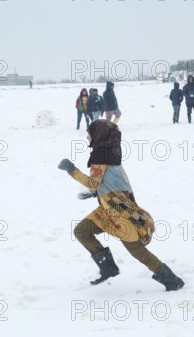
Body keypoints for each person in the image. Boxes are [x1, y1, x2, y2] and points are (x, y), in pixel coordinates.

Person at [58, 119, 185, 291]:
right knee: (81, 230)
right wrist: (95, 193)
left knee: (137, 251)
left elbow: (94, 183)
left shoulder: (100, 158)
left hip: (119, 212)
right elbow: (108, 183)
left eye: (90, 133)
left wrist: (71, 169)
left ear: (99, 136)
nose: (87, 137)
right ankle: (107, 267)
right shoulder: (110, 154)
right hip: (108, 208)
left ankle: (171, 280)